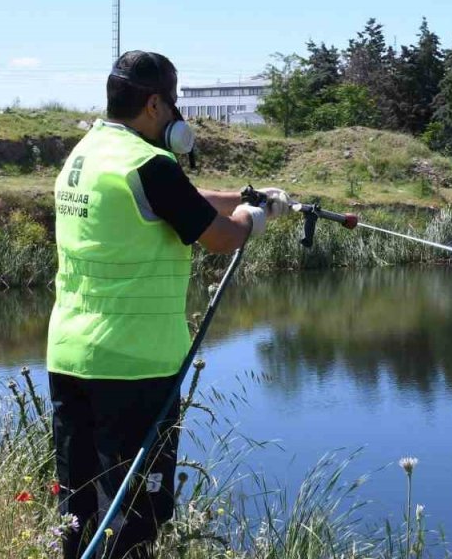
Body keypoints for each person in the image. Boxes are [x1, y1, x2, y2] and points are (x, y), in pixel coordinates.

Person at [47, 50, 292, 558]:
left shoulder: (88, 153)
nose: (178, 114)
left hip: (69, 358)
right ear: (155, 104)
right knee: (135, 514)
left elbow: (181, 197)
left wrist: (248, 195)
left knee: (80, 509)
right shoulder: (149, 163)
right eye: (176, 102)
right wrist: (255, 217)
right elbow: (221, 237)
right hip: (133, 365)